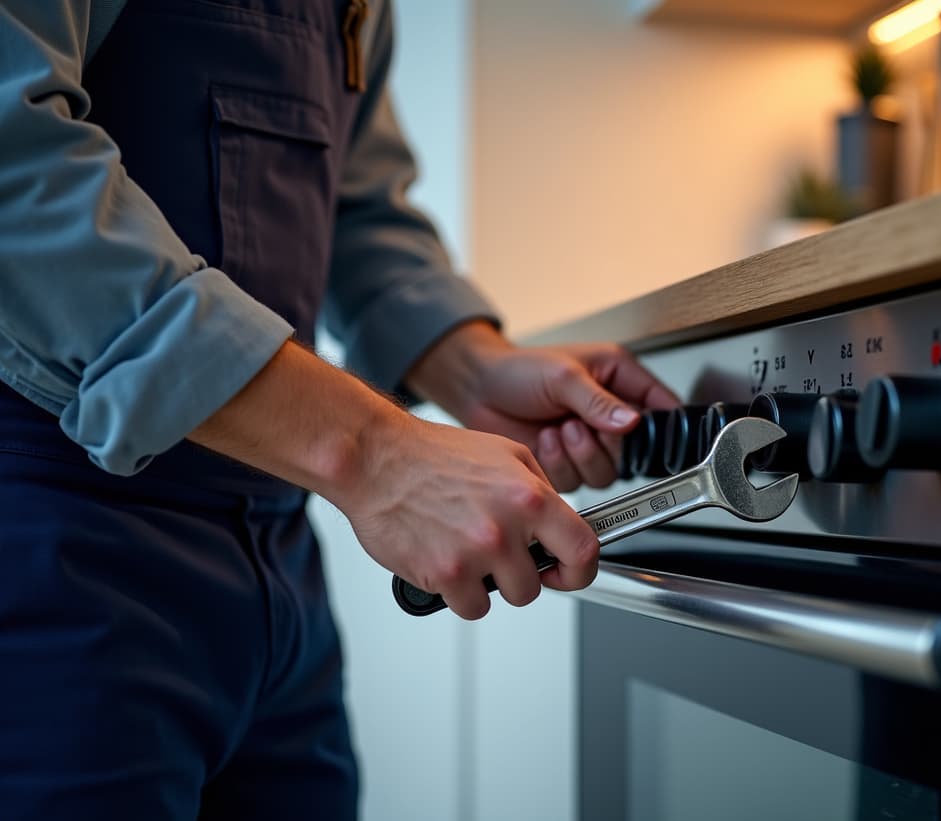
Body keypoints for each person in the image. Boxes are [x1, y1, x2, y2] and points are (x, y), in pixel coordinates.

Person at [0, 1, 677, 818]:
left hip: (281, 571)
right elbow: (15, 166)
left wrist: (475, 367)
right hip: (50, 541)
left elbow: (353, 206)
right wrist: (371, 450)